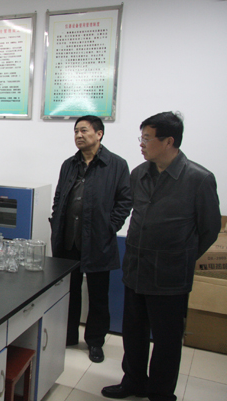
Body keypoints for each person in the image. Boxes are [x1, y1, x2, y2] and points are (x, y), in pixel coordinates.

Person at [102, 112, 221, 401]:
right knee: (134, 333)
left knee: (167, 339)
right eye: (141, 137)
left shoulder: (199, 179)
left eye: (147, 138)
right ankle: (133, 382)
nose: (141, 143)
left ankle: (161, 392)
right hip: (136, 268)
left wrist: (181, 256)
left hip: (170, 275)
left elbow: (210, 229)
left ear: (169, 141)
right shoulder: (139, 173)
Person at [50, 115, 132, 363]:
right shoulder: (69, 164)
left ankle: (95, 342)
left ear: (99, 134)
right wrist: (57, 219)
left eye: (84, 130)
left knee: (98, 295)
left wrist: (110, 227)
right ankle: (68, 336)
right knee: (69, 291)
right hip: (68, 239)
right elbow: (59, 196)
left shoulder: (116, 165)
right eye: (76, 131)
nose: (78, 135)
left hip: (98, 240)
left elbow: (125, 201)